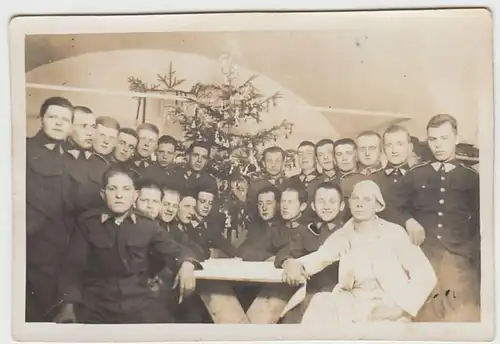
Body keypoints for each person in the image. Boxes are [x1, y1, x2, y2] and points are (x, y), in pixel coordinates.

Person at [55, 166, 201, 324]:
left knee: (170, 331)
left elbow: (175, 249)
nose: (119, 195)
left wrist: (187, 264)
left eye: (126, 189)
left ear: (135, 195)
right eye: (112, 189)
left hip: (137, 304)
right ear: (103, 195)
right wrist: (68, 306)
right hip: (97, 305)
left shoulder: (147, 225)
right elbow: (72, 267)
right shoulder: (88, 223)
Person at [281, 180, 437, 324]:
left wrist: (398, 309)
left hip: (388, 305)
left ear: (378, 206)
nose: (360, 204)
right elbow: (321, 256)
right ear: (349, 203)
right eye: (355, 199)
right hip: (353, 303)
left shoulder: (395, 233)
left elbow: (425, 274)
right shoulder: (344, 234)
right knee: (319, 304)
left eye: (367, 199)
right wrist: (296, 265)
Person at [388, 114, 480, 322]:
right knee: (423, 318)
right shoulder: (415, 174)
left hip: (459, 262)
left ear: (457, 138)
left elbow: (483, 223)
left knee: (461, 319)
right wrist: (408, 221)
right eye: (433, 139)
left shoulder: (472, 178)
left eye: (444, 138)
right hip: (422, 257)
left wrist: (469, 254)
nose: (438, 145)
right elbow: (391, 207)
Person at [26, 96, 75, 322]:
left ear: (70, 126)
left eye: (64, 119)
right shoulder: (23, 150)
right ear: (41, 119)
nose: (58, 123)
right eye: (53, 117)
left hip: (61, 255)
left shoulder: (68, 157)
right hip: (32, 252)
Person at [276, 182, 345, 323]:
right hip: (306, 294)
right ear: (313, 206)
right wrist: (290, 263)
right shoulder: (306, 230)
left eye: (332, 201)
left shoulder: (347, 233)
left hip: (337, 299)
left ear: (342, 205)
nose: (326, 206)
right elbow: (285, 253)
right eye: (321, 201)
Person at [240, 184, 306, 263]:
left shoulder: (305, 228)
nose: (264, 208)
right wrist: (273, 258)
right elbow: (247, 252)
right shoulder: (272, 230)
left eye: (269, 203)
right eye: (283, 202)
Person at [76, 116, 120, 212]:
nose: (106, 141)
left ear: (116, 142)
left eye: (111, 138)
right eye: (102, 135)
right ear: (93, 135)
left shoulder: (117, 168)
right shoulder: (78, 161)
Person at [371, 125, 412, 222]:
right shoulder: (374, 179)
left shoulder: (420, 177)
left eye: (400, 144)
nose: (394, 151)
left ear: (410, 147)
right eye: (389, 145)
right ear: (384, 149)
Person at [247, 146, 287, 219]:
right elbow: (251, 213)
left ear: (283, 163)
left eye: (277, 161)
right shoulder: (255, 186)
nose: (273, 165)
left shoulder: (291, 184)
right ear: (264, 163)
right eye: (269, 161)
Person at [341, 131, 383, 201]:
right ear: (356, 152)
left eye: (372, 148)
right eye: (362, 149)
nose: (367, 153)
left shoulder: (390, 177)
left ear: (380, 151)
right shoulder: (346, 181)